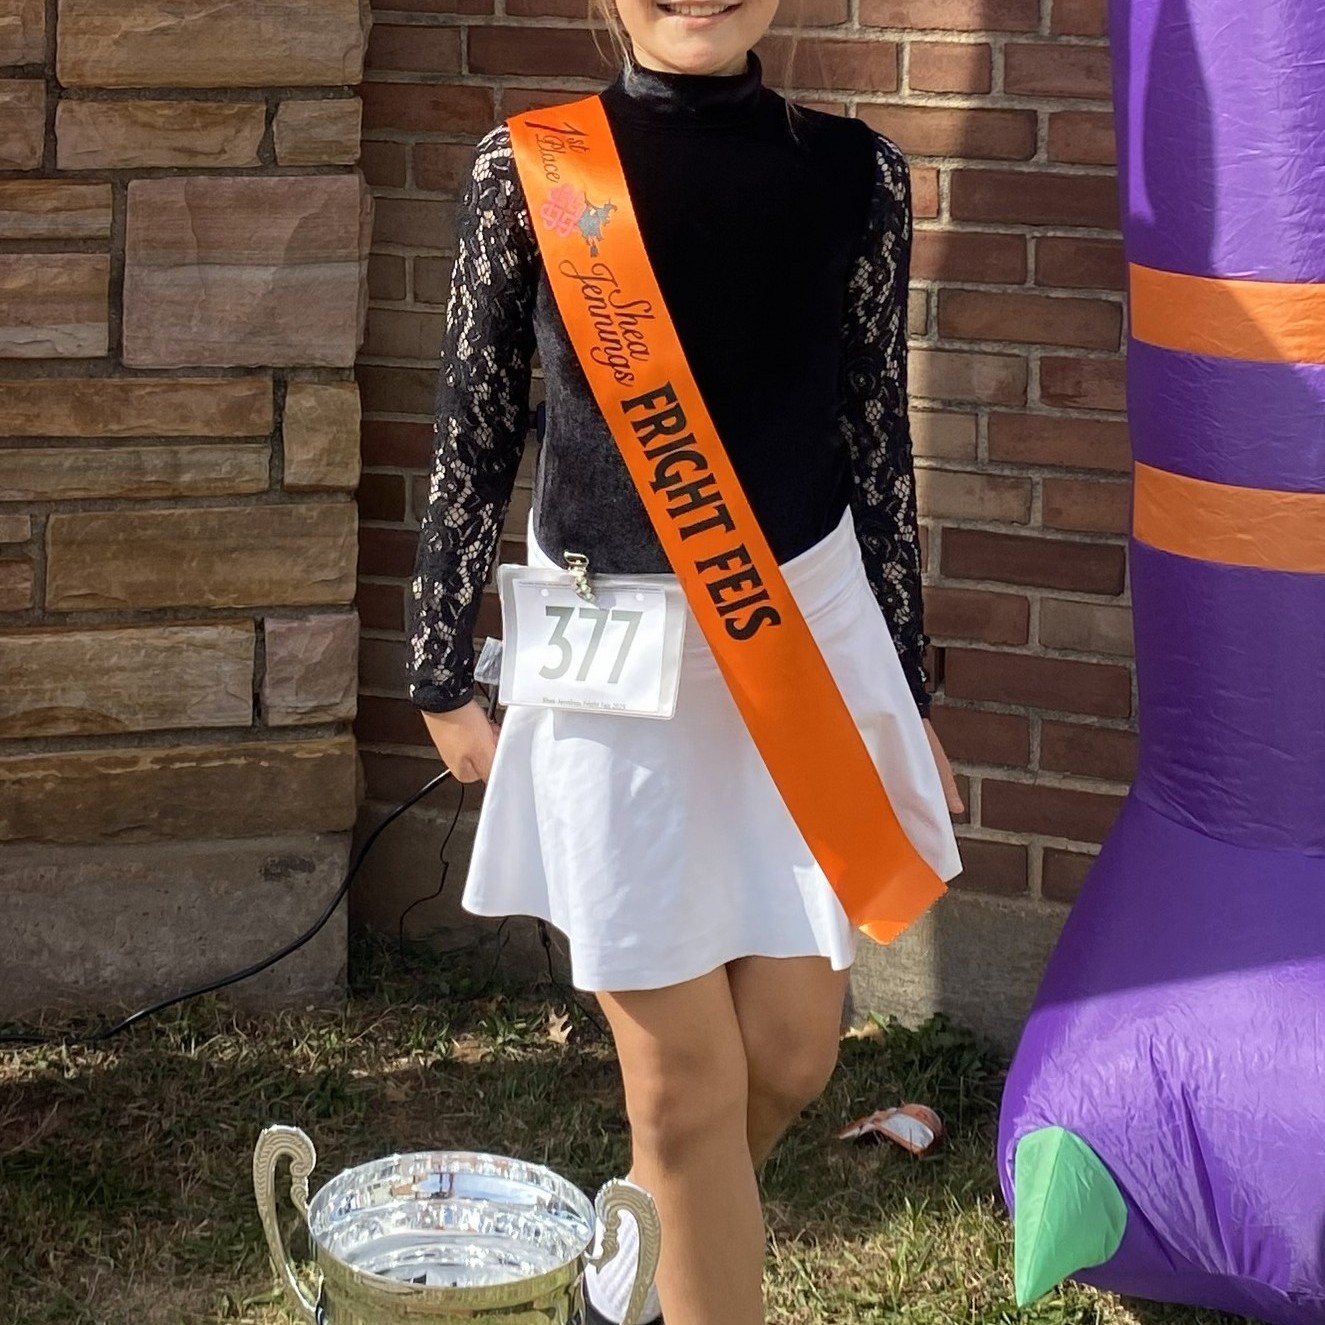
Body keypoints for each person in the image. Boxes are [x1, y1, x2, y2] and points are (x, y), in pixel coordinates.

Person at [408, 2, 965, 1321]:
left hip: (803, 643)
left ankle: (636, 1258)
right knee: (680, 1089)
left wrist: (906, 682)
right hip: (615, 661)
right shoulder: (529, 169)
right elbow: (472, 426)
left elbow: (872, 438)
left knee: (789, 1049)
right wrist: (441, 660)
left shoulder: (854, 173)